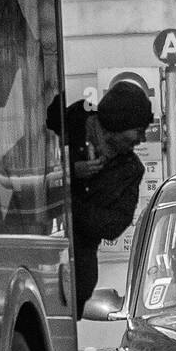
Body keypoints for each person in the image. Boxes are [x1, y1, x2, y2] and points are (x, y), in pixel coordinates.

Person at [47, 82, 151, 318]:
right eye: (138, 129)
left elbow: (113, 225)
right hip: (41, 255)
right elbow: (31, 174)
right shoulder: (64, 128)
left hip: (77, 275)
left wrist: (70, 204)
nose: (142, 138)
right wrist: (70, 173)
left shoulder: (130, 170)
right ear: (117, 124)